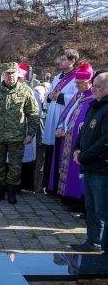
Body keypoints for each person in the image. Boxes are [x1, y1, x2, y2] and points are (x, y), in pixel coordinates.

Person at [0, 63, 38, 204]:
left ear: (17, 74)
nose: (10, 76)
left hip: (17, 138)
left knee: (15, 167)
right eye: (8, 73)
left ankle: (12, 193)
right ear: (3, 75)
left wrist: (30, 134)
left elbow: (33, 114)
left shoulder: (25, 91)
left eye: (13, 73)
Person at [71, 71, 108, 252]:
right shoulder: (94, 106)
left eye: (98, 87)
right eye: (94, 85)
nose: (94, 89)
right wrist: (77, 148)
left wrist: (84, 156)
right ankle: (93, 241)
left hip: (102, 168)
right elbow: (84, 131)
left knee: (103, 210)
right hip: (90, 167)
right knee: (91, 207)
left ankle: (105, 247)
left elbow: (105, 141)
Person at [53, 63, 95, 205]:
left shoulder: (93, 98)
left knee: (76, 171)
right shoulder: (79, 94)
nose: (76, 86)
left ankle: (76, 198)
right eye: (76, 82)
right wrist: (61, 126)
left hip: (80, 142)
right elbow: (67, 113)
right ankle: (67, 195)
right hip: (67, 138)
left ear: (89, 81)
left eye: (79, 83)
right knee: (67, 169)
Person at [43, 49, 79, 191]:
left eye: (63, 59)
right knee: (50, 149)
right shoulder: (58, 76)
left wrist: (61, 96)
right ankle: (48, 185)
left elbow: (77, 97)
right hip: (52, 114)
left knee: (59, 150)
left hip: (63, 117)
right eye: (60, 59)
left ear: (72, 61)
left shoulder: (77, 77)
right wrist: (50, 95)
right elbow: (49, 93)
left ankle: (57, 186)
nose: (60, 62)